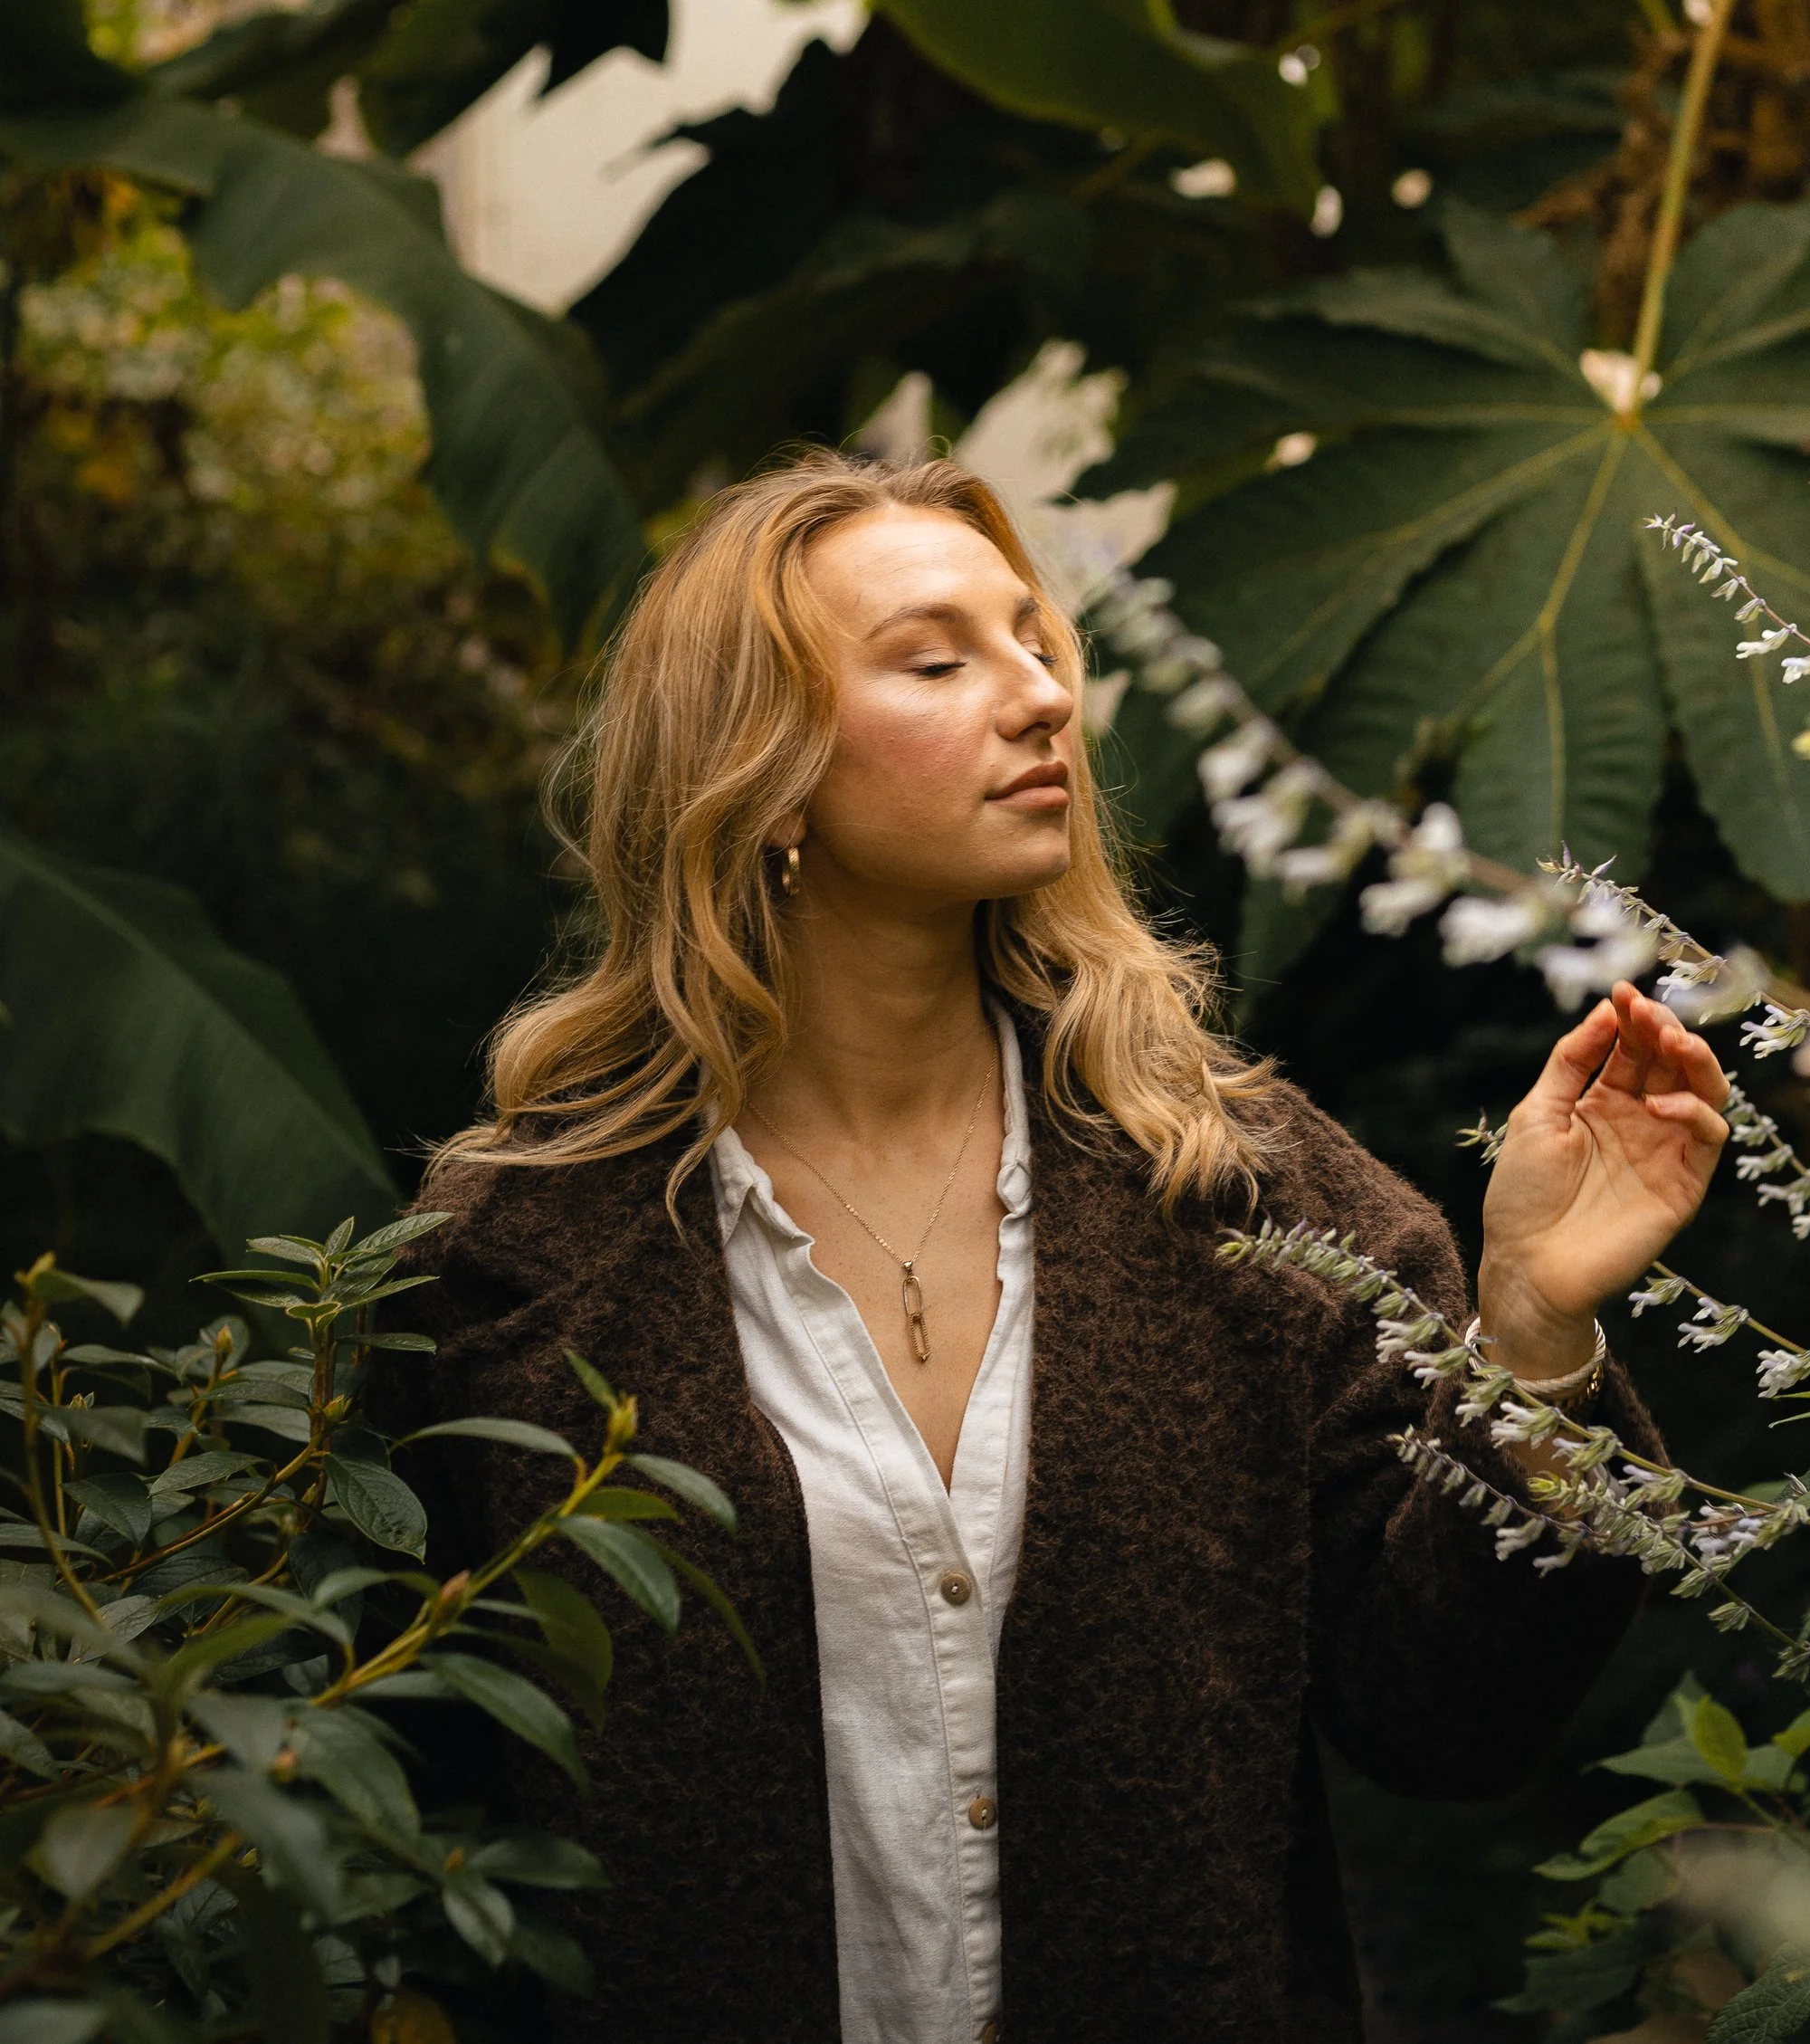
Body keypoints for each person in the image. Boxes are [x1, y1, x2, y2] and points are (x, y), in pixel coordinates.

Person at [395, 451, 1729, 2044]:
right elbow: (386, 1816)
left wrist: (1527, 1334)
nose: (1039, 697)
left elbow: (1447, 1720)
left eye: (1036, 641)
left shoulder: (1242, 1192)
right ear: (761, 769)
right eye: (938, 659)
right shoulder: (518, 1259)